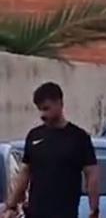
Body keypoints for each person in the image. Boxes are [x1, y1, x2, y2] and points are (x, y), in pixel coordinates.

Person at [3, 82, 100, 218]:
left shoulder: (78, 137)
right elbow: (25, 173)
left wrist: (94, 209)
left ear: (59, 103)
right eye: (40, 109)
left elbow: (92, 175)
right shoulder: (34, 136)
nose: (42, 114)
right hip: (35, 213)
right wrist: (11, 205)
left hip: (64, 213)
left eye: (46, 109)